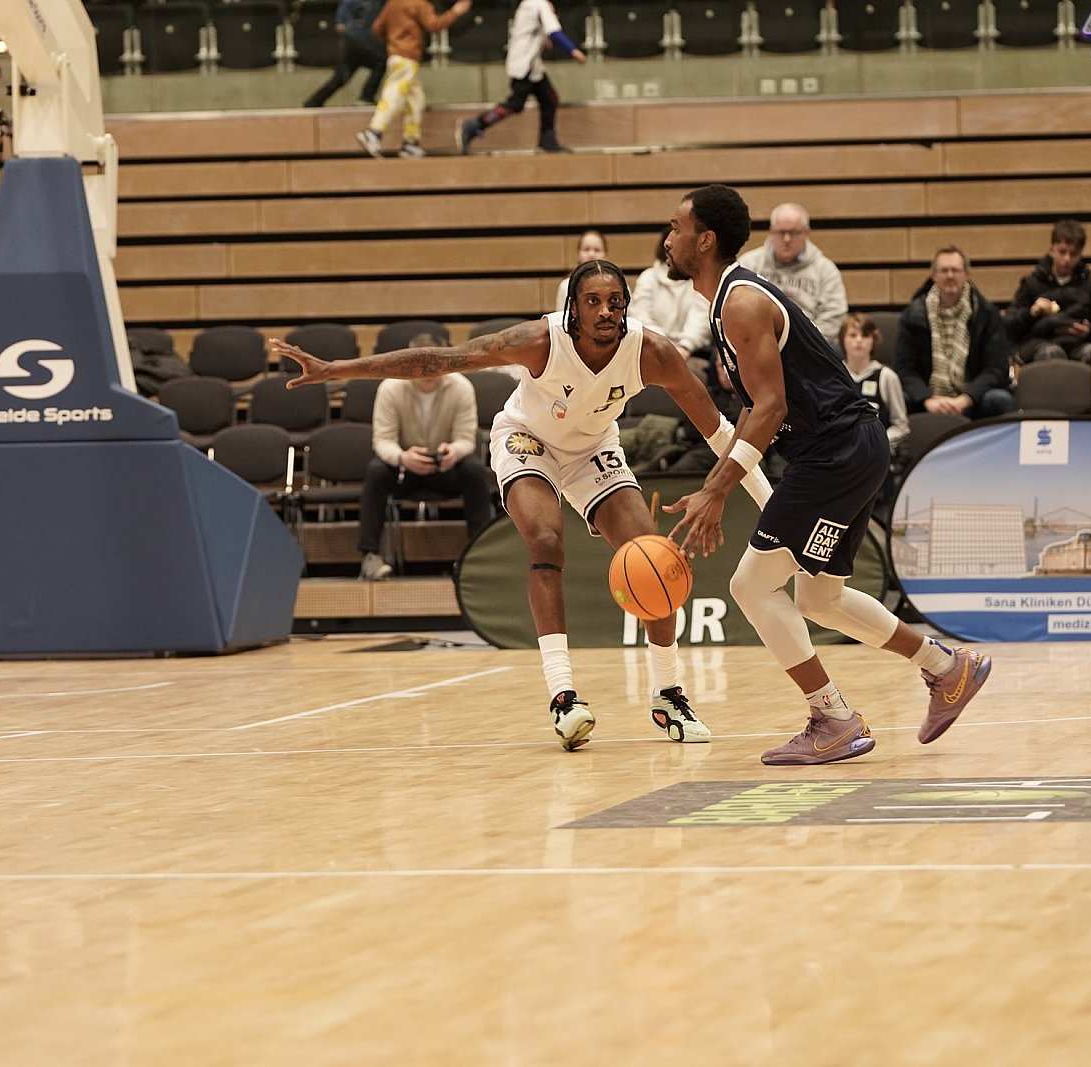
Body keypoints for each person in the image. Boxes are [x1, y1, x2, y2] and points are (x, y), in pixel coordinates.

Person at [270, 259, 768, 750]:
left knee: (652, 555)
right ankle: (564, 697)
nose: (605, 311)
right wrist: (337, 370)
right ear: (573, 308)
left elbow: (719, 431)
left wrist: (768, 502)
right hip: (527, 439)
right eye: (593, 301)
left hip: (594, 448)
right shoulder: (540, 340)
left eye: (615, 302)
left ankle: (667, 693)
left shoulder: (651, 352)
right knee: (546, 541)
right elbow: (441, 360)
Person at [660, 184, 992, 766]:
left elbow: (771, 409)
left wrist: (716, 493)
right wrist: (716, 482)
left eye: (675, 227)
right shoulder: (726, 303)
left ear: (704, 239)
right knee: (819, 596)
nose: (668, 239)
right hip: (846, 449)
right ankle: (947, 667)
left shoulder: (741, 302)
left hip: (835, 452)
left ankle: (833, 718)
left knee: (751, 586)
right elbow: (755, 409)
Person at [358, 333, 495, 580]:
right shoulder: (390, 388)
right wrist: (403, 458)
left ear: (446, 362)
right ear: (409, 362)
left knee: (474, 470)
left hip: (445, 468)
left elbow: (466, 439)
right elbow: (382, 441)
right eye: (422, 364)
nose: (429, 371)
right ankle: (370, 556)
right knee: (376, 471)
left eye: (436, 364)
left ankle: (480, 555)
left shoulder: (462, 387)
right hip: (405, 470)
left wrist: (455, 451)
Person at [895, 246, 1016, 420]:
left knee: (1000, 400)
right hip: (928, 398)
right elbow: (904, 369)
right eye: (944, 270)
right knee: (898, 400)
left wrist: (966, 398)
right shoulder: (912, 315)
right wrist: (926, 399)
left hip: (972, 399)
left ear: (967, 274)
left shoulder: (987, 314)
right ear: (934, 275)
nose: (950, 276)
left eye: (956, 270)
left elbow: (996, 369)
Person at [455, 0, 586, 155]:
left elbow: (530, 29)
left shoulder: (528, 4)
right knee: (515, 104)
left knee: (550, 99)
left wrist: (543, 39)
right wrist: (573, 50)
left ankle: (547, 140)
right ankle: (474, 125)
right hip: (524, 64)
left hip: (531, 64)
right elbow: (554, 31)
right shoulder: (538, 4)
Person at [355, 0, 473, 159]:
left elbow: (377, 28)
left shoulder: (392, 3)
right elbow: (434, 24)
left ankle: (410, 142)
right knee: (394, 94)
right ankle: (373, 132)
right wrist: (455, 12)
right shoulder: (419, 3)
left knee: (416, 100)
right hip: (407, 58)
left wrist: (393, 41)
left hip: (396, 56)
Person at [1002, 218, 1091, 365]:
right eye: (1062, 252)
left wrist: (1090, 330)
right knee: (1052, 353)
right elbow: (1009, 325)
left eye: (1073, 254)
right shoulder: (1031, 284)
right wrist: (1031, 312)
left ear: (1081, 254)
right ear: (1051, 249)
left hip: (1079, 343)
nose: (1067, 259)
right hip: (1039, 343)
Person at [735, 202, 848, 343]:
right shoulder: (748, 264)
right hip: (756, 342)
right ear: (771, 232)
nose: (787, 239)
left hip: (808, 344)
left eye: (794, 232)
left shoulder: (825, 270)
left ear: (806, 233)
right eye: (781, 232)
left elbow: (833, 315)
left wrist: (806, 343)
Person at [631, 225, 712, 365]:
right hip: (652, 349)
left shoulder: (699, 278)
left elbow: (701, 317)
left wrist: (685, 346)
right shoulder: (647, 277)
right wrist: (664, 344)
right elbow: (640, 315)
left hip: (691, 353)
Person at [839, 313, 909, 457]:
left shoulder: (887, 377)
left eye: (865, 335)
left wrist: (878, 442)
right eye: (853, 335)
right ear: (842, 339)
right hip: (840, 455)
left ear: (874, 340)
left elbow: (901, 426)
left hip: (875, 455)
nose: (859, 340)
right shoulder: (833, 375)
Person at [303, 0, 387, 108]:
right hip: (356, 42)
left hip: (355, 43)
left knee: (340, 77)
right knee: (380, 63)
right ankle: (366, 97)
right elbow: (340, 25)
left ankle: (314, 101)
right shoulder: (354, 2)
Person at [551, 229, 607, 311]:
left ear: (605, 254)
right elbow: (561, 317)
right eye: (586, 249)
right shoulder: (566, 286)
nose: (591, 254)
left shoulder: (617, 285)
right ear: (578, 254)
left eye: (597, 250)